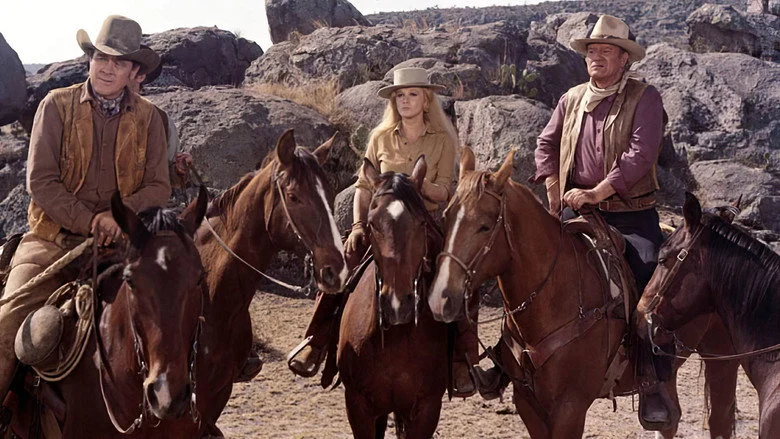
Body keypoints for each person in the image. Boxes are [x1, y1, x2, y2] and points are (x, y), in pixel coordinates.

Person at [0, 15, 170, 403]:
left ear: (133, 71)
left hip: (122, 245)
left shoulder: (150, 118)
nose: (107, 68)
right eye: (101, 58)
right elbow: (41, 181)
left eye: (119, 62)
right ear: (90, 60)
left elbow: (158, 186)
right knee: (7, 324)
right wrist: (89, 220)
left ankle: (191, 413)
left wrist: (116, 218)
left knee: (182, 305)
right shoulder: (56, 106)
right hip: (52, 241)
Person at [286, 67, 478, 396]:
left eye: (413, 94)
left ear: (426, 100)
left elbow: (446, 191)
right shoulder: (380, 137)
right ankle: (315, 342)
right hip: (382, 225)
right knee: (346, 261)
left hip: (423, 223)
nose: (405, 100)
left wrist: (418, 186)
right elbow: (363, 187)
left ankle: (463, 359)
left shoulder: (443, 139)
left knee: (457, 274)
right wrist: (358, 226)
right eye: (400, 95)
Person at [530, 14, 670, 426]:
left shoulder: (645, 98)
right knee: (527, 265)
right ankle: (508, 361)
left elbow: (640, 155)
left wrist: (597, 192)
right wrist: (554, 188)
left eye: (607, 50)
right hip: (577, 210)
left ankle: (652, 379)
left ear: (624, 59)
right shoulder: (571, 98)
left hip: (631, 216)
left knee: (651, 285)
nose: (597, 56)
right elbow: (546, 143)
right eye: (592, 50)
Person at [128, 54, 193, 189]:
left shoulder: (161, 120)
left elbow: (169, 178)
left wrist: (178, 170)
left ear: (140, 76)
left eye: (121, 65)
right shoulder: (87, 110)